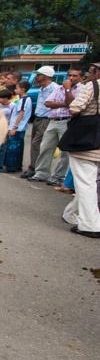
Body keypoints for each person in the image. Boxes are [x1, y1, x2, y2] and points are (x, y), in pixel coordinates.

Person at [65, 62, 100, 238]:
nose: (89, 74)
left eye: (91, 72)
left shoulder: (91, 86)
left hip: (87, 142)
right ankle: (70, 213)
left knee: (86, 182)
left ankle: (90, 225)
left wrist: (68, 91)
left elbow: (74, 108)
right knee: (90, 182)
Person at [31, 67, 83, 186]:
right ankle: (41, 173)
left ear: (80, 77)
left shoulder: (81, 89)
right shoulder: (59, 88)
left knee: (64, 151)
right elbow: (48, 103)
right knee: (46, 147)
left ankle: (59, 176)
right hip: (53, 120)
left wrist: (68, 90)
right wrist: (64, 104)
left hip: (67, 121)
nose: (71, 78)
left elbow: (73, 104)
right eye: (69, 75)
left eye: (74, 76)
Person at [21, 65, 56, 179]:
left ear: (45, 76)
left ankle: (37, 169)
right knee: (34, 143)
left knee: (38, 143)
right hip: (38, 118)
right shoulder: (41, 88)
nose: (36, 77)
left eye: (38, 75)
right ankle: (33, 167)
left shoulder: (54, 88)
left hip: (47, 119)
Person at [0, 81, 33, 173]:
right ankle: (17, 166)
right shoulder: (23, 99)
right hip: (19, 128)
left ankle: (10, 167)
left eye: (17, 88)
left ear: (23, 89)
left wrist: (14, 127)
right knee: (18, 148)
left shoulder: (24, 100)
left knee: (12, 148)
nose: (15, 90)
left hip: (17, 128)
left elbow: (21, 113)